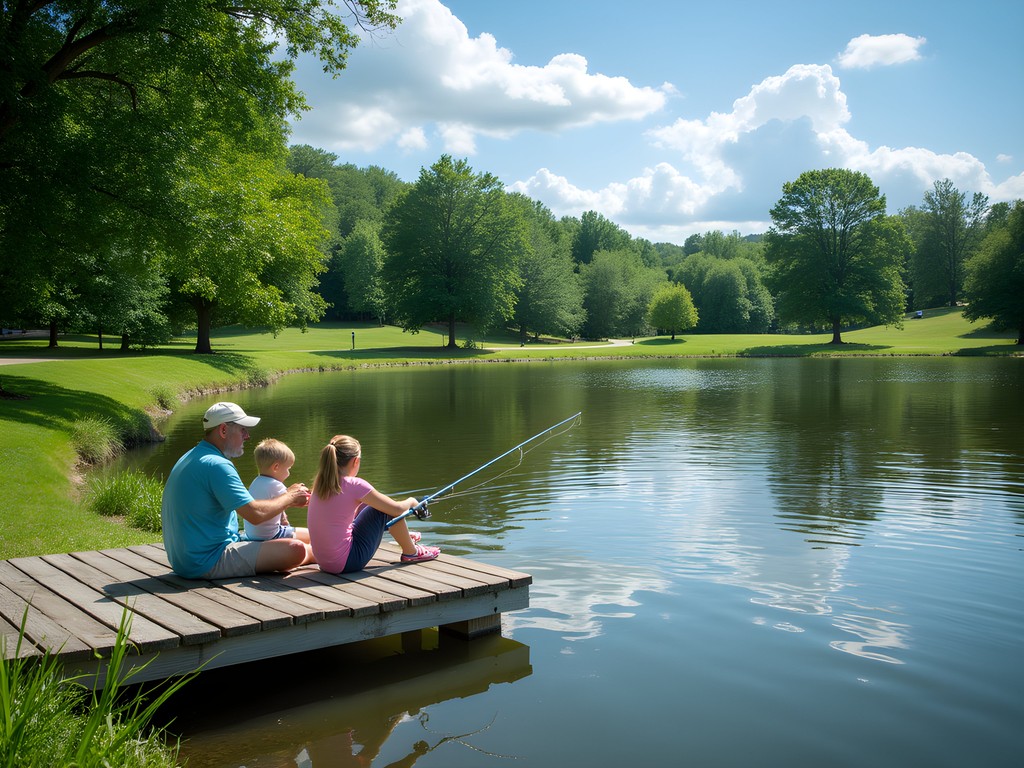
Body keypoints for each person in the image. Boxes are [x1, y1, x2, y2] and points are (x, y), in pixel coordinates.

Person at [161, 402, 315, 579]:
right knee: (295, 549)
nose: (247, 436)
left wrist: (287, 498)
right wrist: (290, 497)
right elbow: (255, 514)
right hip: (207, 560)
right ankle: (322, 554)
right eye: (242, 430)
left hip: (185, 559)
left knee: (308, 537)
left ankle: (323, 549)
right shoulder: (217, 465)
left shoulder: (192, 456)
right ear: (224, 430)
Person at [307, 434, 439, 573]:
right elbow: (397, 510)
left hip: (324, 563)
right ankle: (411, 552)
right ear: (355, 461)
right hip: (347, 562)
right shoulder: (354, 485)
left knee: (371, 505)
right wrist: (413, 501)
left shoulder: (320, 484)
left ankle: (403, 534)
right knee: (383, 510)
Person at [245, 438, 314, 554]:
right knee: (313, 536)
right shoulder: (275, 485)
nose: (289, 473)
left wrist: (284, 518)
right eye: (288, 469)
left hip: (253, 536)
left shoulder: (256, 482)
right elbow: (300, 500)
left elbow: (278, 505)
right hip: (271, 536)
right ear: (276, 467)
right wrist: (305, 492)